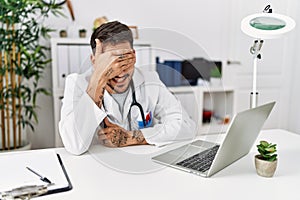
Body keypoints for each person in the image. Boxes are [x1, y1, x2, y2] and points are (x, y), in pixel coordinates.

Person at [59, 21, 196, 155]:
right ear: (94, 61)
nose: (120, 71)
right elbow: (74, 145)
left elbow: (186, 126)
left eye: (125, 60)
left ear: (134, 56)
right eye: (110, 63)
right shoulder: (77, 83)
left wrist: (131, 137)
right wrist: (98, 80)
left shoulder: (150, 80)